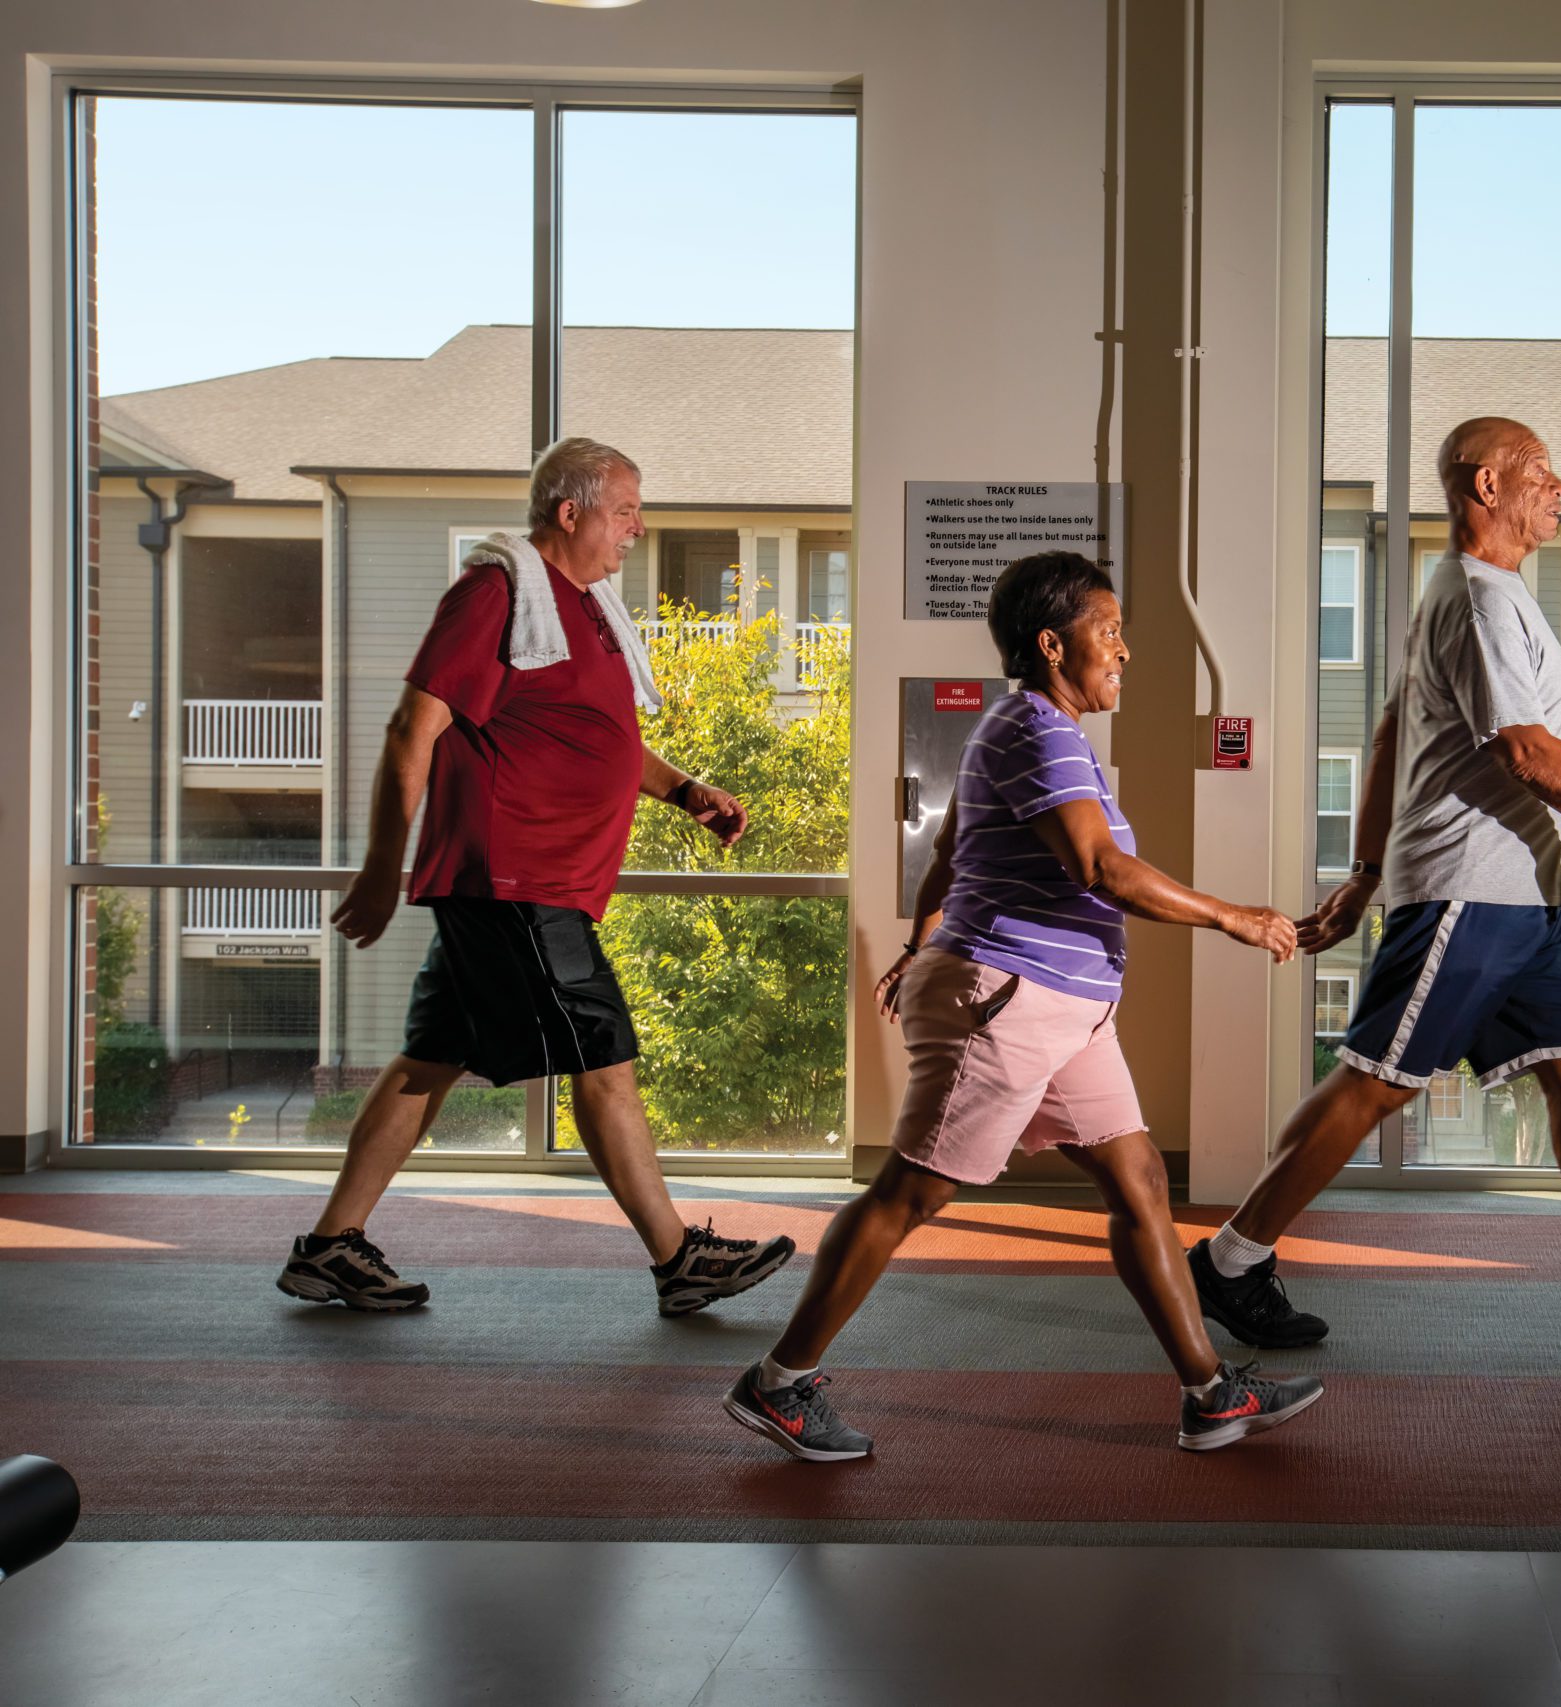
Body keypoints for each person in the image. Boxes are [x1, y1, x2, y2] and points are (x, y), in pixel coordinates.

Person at [1188, 417, 1561, 1351]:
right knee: (1378, 1081)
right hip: (1471, 888)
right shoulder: (1478, 599)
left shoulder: (1478, 596)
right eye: (1539, 470)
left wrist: (1369, 869)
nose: (1560, 484)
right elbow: (1530, 753)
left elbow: (1389, 731)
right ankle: (1229, 1261)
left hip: (1523, 899)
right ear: (1485, 486)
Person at [724, 550, 1323, 1460]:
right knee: (910, 1190)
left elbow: (952, 849)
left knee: (1141, 1183)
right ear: (1053, 643)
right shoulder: (1036, 733)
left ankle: (1208, 1394)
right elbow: (1101, 868)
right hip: (1005, 1000)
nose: (1125, 651)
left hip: (1063, 1008)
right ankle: (780, 1382)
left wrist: (921, 941)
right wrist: (1235, 916)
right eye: (1109, 631)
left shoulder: (1028, 730)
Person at [276, 437, 795, 1317]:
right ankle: (680, 1260)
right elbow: (414, 728)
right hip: (513, 877)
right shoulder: (496, 593)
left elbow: (590, 733)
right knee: (605, 1059)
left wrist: (683, 791)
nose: (638, 527)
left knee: (426, 1064)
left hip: (534, 880)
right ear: (571, 511)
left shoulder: (577, 607)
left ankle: (330, 1248)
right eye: (625, 509)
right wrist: (378, 870)